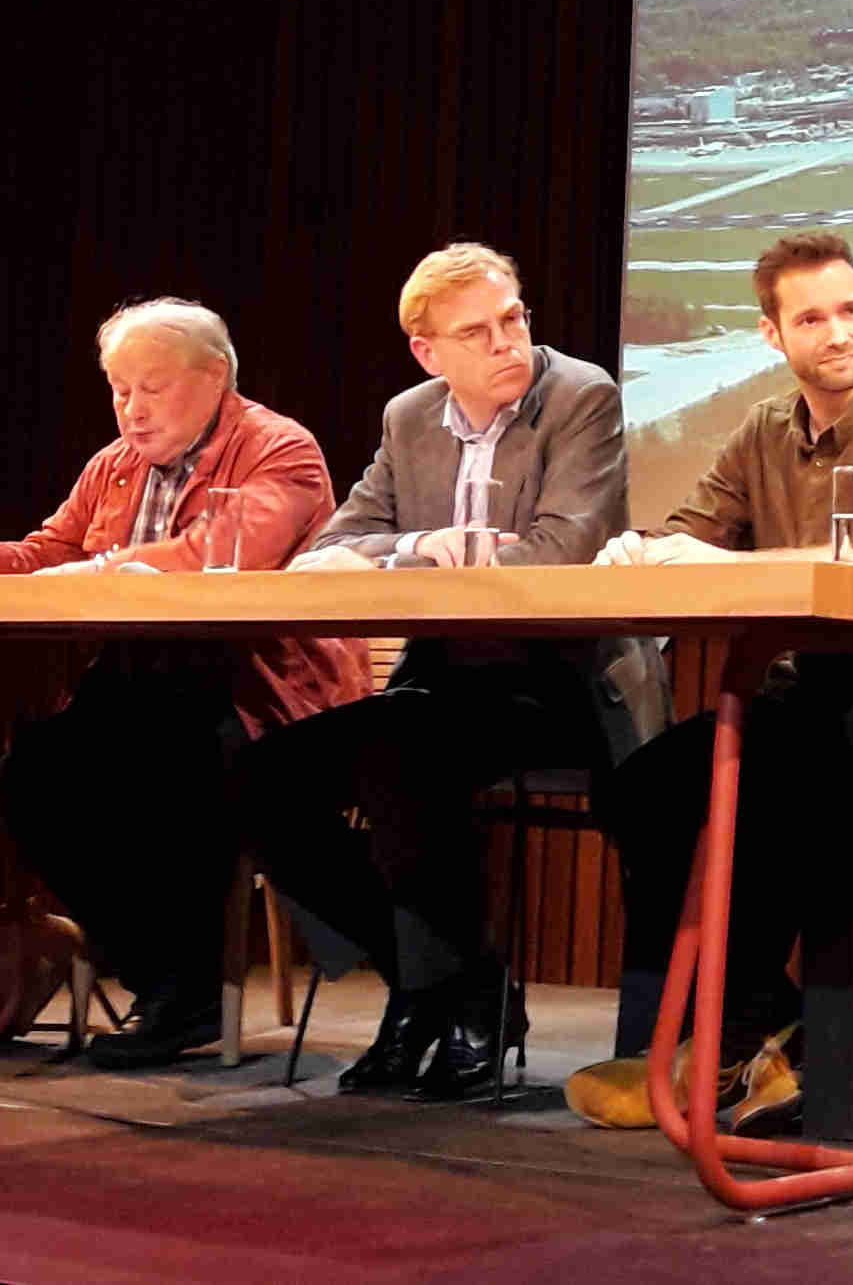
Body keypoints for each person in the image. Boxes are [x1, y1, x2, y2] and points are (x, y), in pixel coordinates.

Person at [558, 231, 853, 1131]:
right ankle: (762, 1022)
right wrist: (646, 551)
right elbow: (690, 538)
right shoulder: (762, 432)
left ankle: (762, 1045)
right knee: (645, 790)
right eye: (813, 318)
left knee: (784, 763)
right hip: (805, 702)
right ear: (772, 335)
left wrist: (702, 558)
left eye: (852, 310)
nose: (839, 334)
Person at [0, 297, 357, 1068]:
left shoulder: (281, 449)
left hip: (255, 692)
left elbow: (223, 553)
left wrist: (96, 571)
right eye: (118, 390)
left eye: (151, 388)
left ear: (214, 378)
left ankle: (188, 991)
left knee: (173, 760)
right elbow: (49, 550)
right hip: (134, 687)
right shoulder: (113, 465)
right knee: (35, 779)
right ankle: (165, 980)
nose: (131, 411)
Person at [231, 242, 642, 1099]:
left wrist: (420, 565)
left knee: (403, 750)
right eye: (478, 332)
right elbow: (331, 551)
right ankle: (449, 986)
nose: (507, 344)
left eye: (513, 319)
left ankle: (438, 1001)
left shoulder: (581, 397)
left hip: (560, 680)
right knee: (265, 778)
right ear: (429, 352)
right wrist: (423, 546)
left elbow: (560, 556)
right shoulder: (409, 419)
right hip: (445, 680)